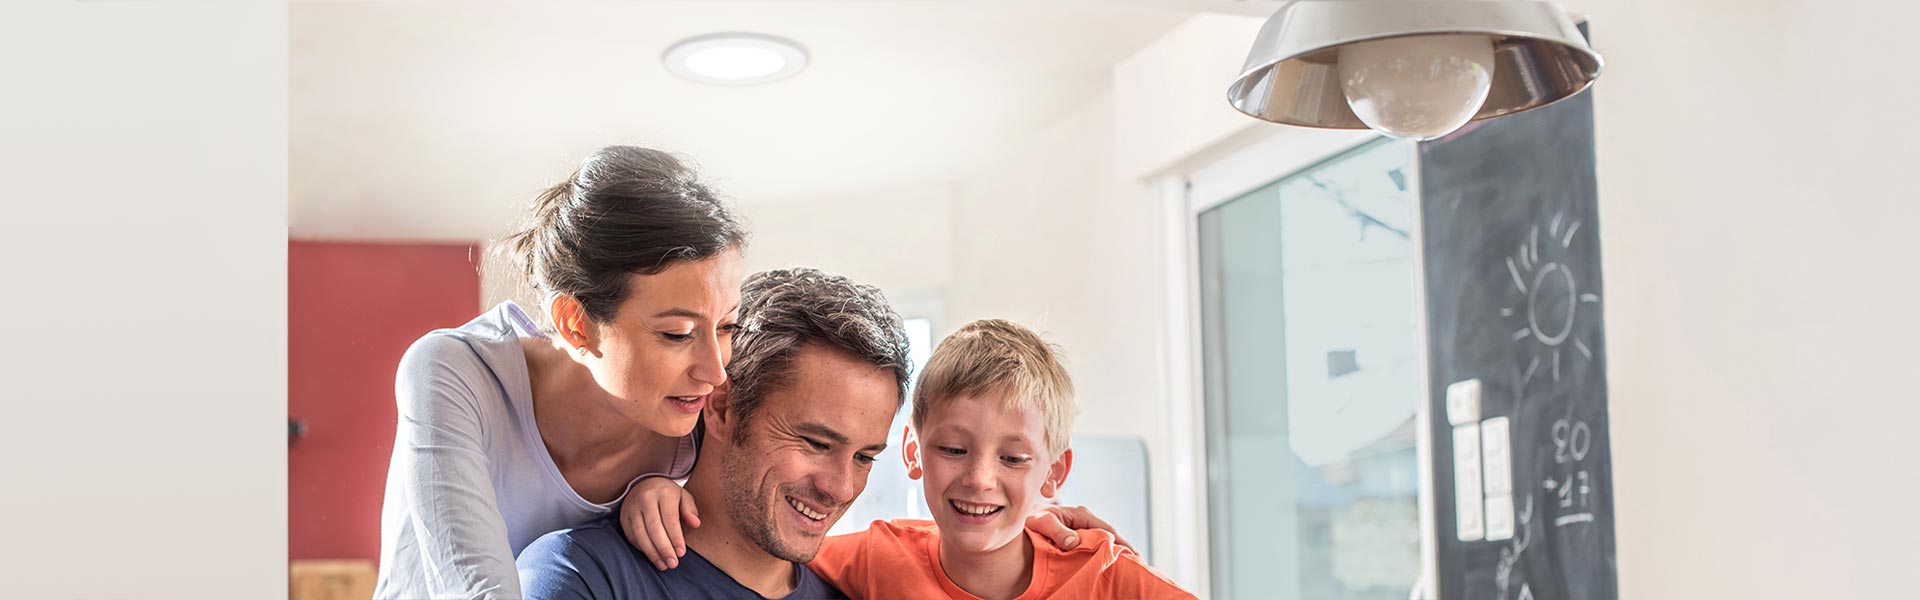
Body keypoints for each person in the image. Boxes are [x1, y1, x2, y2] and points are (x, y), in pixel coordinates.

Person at [516, 270, 1128, 600]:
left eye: (865, 456)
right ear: (723, 408)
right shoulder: (584, 576)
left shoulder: (852, 595)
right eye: (814, 442)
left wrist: (1035, 540)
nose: (840, 487)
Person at [373, 146, 749, 599]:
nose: (715, 372)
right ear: (576, 323)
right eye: (676, 333)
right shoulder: (453, 372)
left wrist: (661, 486)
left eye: (727, 325)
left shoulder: (694, 427)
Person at [807, 319, 1194, 599]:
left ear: (1053, 472)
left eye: (1013, 458)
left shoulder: (1105, 575)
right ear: (913, 450)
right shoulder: (877, 559)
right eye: (954, 450)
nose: (980, 479)